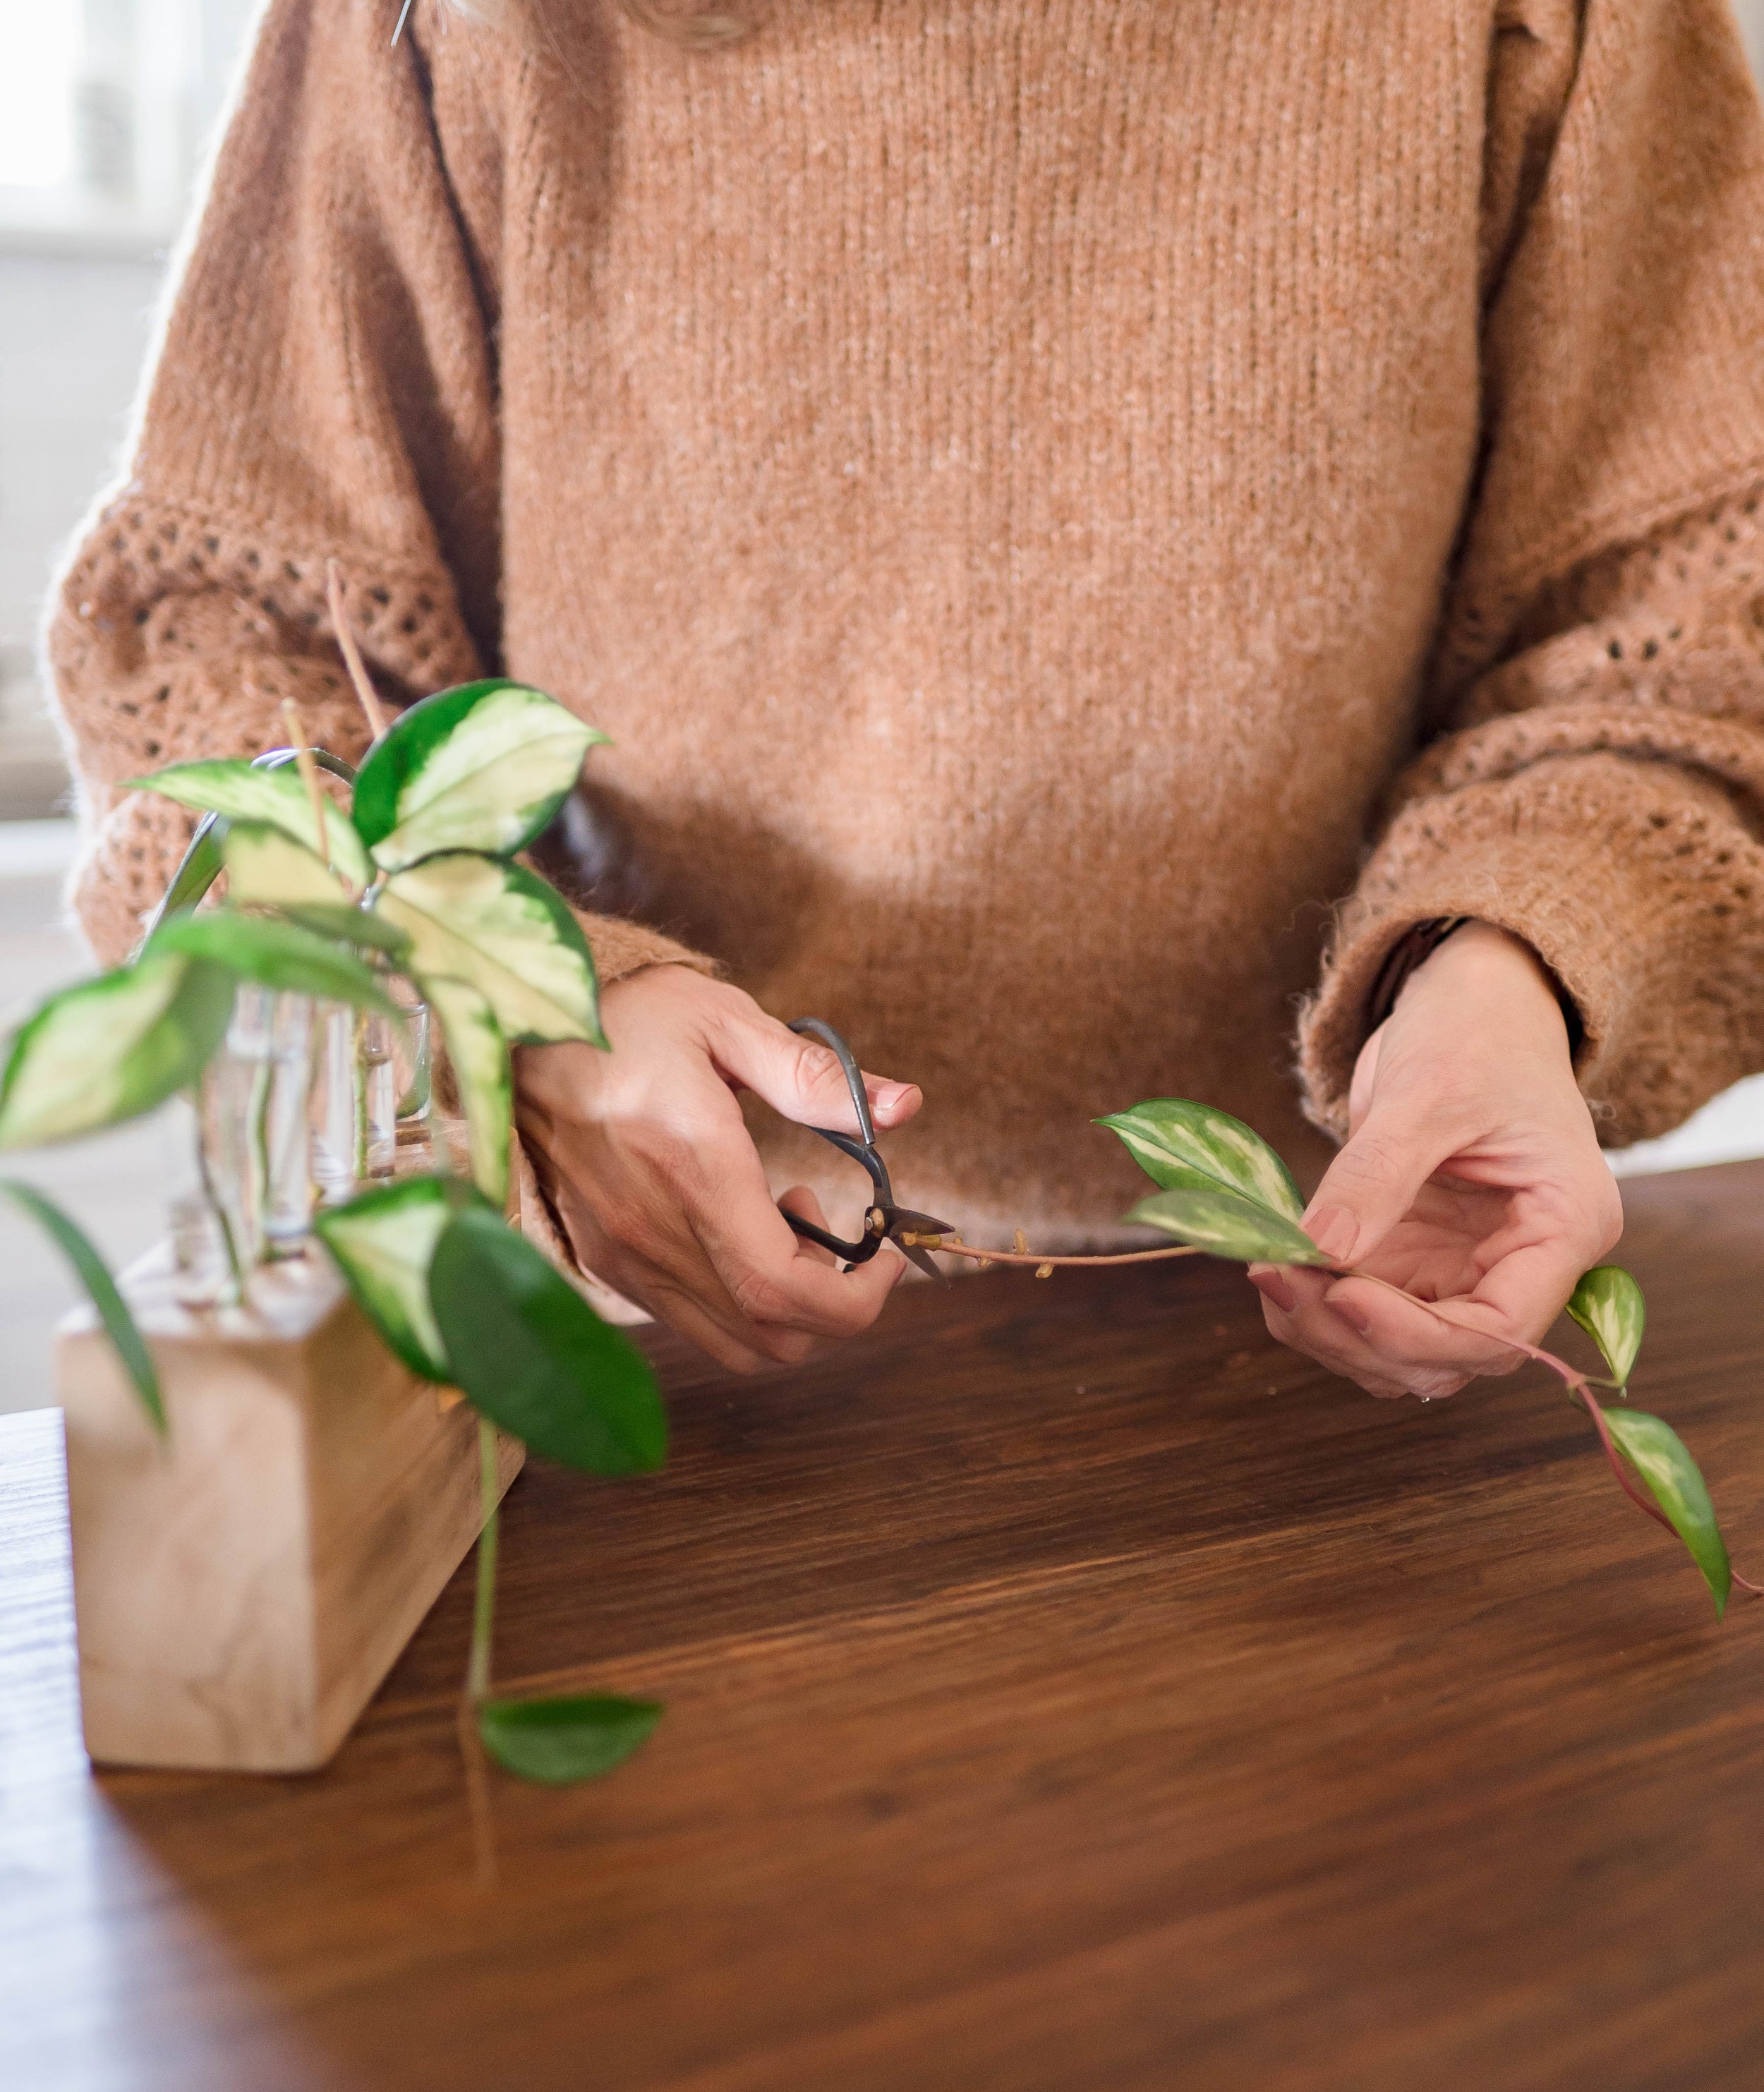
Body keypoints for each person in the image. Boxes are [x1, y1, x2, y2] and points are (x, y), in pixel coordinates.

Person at [46, 0, 1764, 1398]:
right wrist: (531, 1014)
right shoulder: (431, 27)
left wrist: (1520, 961)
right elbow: (212, 670)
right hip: (662, 1352)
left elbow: (1695, 633)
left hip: (1349, 1339)